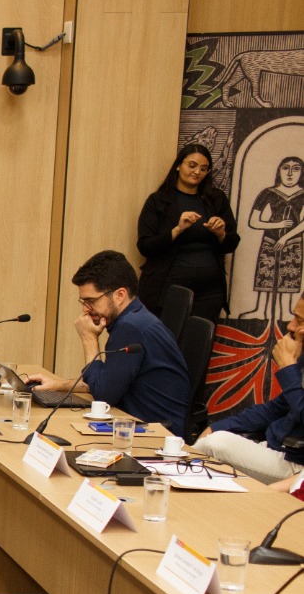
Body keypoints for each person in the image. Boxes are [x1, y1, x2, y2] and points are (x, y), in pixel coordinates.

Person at [24, 250, 192, 432]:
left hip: (154, 434)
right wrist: (58, 385)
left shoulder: (131, 328)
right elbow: (109, 380)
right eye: (83, 301)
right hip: (136, 423)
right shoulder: (136, 319)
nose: (85, 309)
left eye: (91, 301)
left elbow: (103, 395)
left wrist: (89, 339)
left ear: (120, 295)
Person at [198, 292, 304, 483]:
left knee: (214, 445)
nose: (290, 326)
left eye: (299, 320)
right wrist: (218, 426)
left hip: (296, 464)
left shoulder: (294, 362)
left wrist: (289, 368)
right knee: (211, 440)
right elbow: (276, 408)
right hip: (275, 448)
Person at [136, 142, 240, 323]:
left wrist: (221, 234)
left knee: (199, 343)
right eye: (192, 165)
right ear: (178, 165)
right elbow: (145, 246)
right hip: (169, 286)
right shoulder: (158, 200)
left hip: (210, 290)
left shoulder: (216, 199)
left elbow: (232, 242)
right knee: (168, 342)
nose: (197, 172)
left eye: (203, 168)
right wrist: (177, 230)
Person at [247, 155, 304, 322]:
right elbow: (253, 221)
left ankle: (286, 311)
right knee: (265, 274)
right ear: (279, 171)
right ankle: (260, 310)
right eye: (286, 168)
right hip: (270, 240)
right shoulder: (268, 193)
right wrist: (277, 225)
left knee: (289, 275)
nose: (290, 173)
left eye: (296, 169)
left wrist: (286, 236)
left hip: (293, 242)